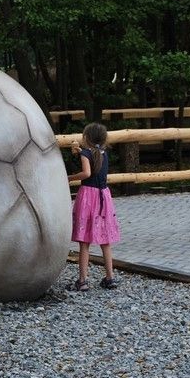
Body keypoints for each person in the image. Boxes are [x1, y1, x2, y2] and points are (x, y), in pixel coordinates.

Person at [66, 122, 120, 291]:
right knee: (105, 241)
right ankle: (110, 278)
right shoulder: (103, 153)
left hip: (88, 196)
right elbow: (93, 160)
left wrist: (68, 178)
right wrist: (78, 152)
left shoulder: (86, 154)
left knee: (84, 242)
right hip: (103, 195)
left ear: (86, 139)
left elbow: (87, 173)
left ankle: (82, 280)